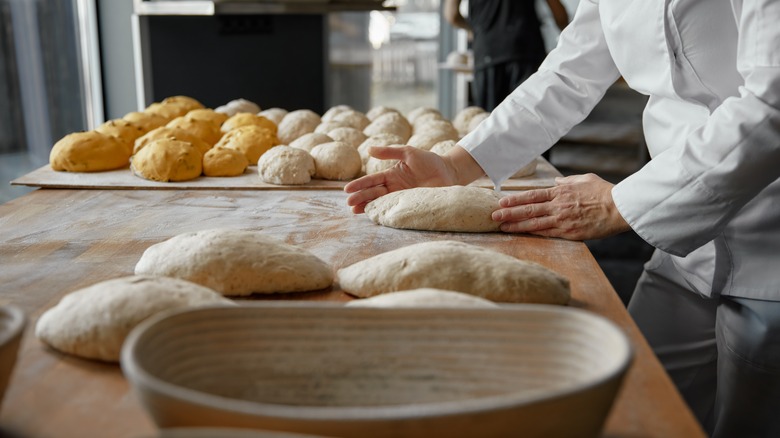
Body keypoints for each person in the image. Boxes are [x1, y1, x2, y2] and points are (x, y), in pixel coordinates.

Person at [345, 0, 780, 436]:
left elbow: (772, 100)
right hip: (682, 242)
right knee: (631, 408)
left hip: (770, 246)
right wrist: (459, 164)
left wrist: (618, 203)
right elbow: (569, 74)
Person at [443, 0, 569, 111]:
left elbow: (451, 15)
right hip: (526, 50)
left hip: (488, 51)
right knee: (530, 119)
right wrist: (568, 42)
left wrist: (475, 31)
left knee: (489, 122)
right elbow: (560, 15)